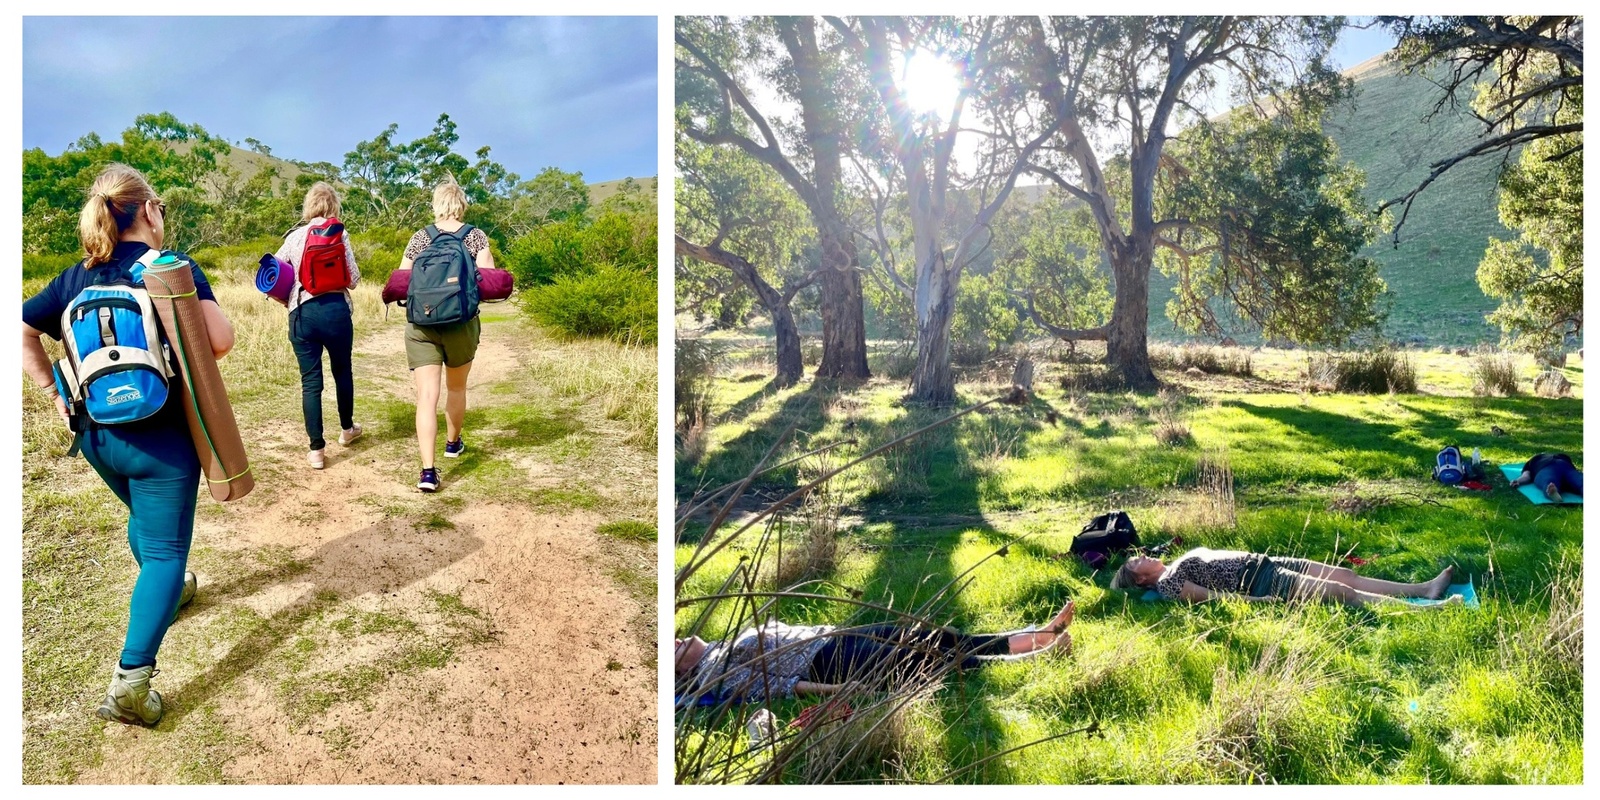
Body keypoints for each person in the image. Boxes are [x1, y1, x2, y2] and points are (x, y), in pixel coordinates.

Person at [21, 163, 236, 726]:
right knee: (165, 554)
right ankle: (130, 686)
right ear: (148, 210)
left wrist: (53, 389)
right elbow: (220, 342)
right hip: (160, 442)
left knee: (146, 525)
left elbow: (19, 327)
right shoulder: (170, 270)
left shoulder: (74, 278)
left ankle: (171, 593)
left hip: (95, 438)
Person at [675, 600, 1074, 704]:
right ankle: (1038, 657)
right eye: (674, 652)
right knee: (923, 659)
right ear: (682, 672)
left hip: (835, 636)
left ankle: (1040, 634)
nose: (677, 641)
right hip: (831, 661)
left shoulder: (721, 646)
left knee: (941, 637)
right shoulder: (715, 673)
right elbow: (781, 687)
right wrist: (842, 692)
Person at [399, 178, 493, 493]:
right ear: (461, 204)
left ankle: (428, 472)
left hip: (421, 325)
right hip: (461, 324)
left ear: (437, 206)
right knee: (456, 388)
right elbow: (489, 285)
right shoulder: (476, 237)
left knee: (426, 397)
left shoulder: (419, 238)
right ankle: (453, 444)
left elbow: (401, 282)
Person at [272, 182, 361, 469]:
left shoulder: (294, 237)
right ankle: (347, 430)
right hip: (335, 311)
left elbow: (272, 272)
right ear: (333, 205)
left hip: (302, 315)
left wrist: (288, 299)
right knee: (342, 371)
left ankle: (316, 450)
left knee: (311, 383)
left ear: (309, 206)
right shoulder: (339, 233)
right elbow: (354, 279)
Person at [1111, 547, 1459, 608]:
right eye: (1134, 563)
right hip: (1259, 582)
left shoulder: (1172, 562)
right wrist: (1257, 602)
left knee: (1345, 574)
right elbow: (1214, 597)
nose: (1141, 556)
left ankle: (1423, 589)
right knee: (1338, 592)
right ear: (1140, 581)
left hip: (1265, 562)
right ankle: (1429, 609)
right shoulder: (1169, 583)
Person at [1510, 452, 1582, 502]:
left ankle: (1552, 491)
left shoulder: (1533, 461)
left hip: (1557, 467)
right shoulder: (1531, 462)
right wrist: (1518, 481)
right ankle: (1553, 492)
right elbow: (1526, 476)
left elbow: (1526, 476)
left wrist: (1518, 481)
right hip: (1560, 466)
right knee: (1579, 480)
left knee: (1549, 481)